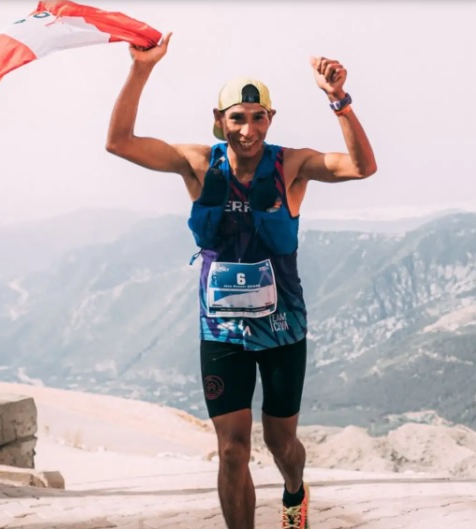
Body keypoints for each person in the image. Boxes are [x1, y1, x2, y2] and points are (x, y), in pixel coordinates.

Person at [105, 32, 377, 529]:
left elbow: (362, 167)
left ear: (269, 120)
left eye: (257, 117)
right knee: (232, 451)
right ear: (218, 120)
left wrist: (338, 100)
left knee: (281, 444)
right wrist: (141, 68)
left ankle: (294, 491)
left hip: (282, 330)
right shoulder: (198, 164)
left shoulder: (290, 166)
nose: (247, 129)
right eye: (237, 117)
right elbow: (118, 143)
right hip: (221, 331)